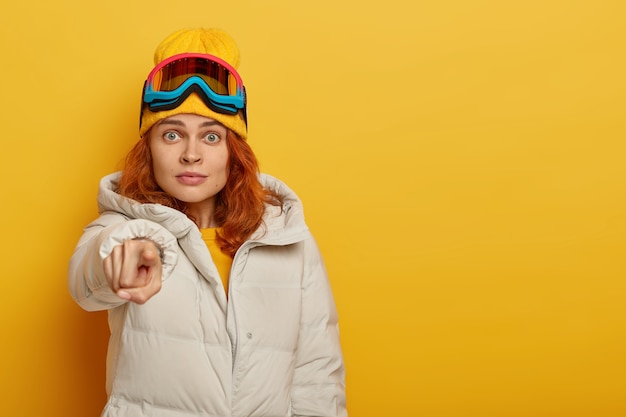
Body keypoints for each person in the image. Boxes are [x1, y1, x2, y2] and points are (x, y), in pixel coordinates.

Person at [68, 28, 347, 417]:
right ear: (148, 149)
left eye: (212, 137)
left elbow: (318, 373)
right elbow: (88, 280)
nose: (191, 155)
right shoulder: (120, 226)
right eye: (171, 134)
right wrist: (126, 254)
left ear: (234, 152)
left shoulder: (287, 237)